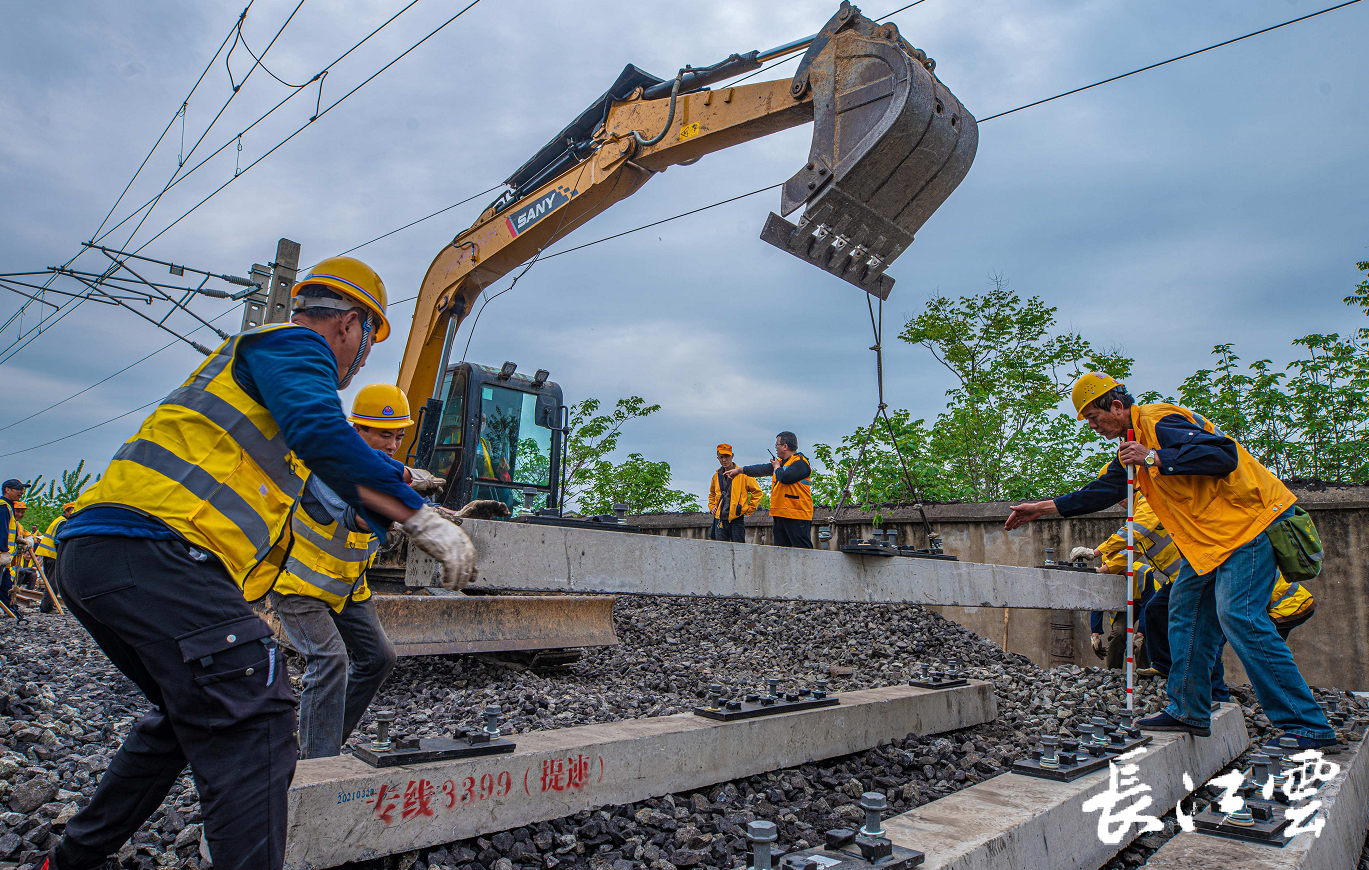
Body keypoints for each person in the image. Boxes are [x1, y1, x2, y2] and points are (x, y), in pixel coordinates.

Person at [46, 256, 477, 870]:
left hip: (105, 555)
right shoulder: (295, 349)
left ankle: (67, 862)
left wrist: (396, 490)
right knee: (262, 719)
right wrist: (424, 520)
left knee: (185, 715)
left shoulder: (268, 387)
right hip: (157, 551)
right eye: (365, 346)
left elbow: (335, 483)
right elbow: (325, 437)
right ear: (350, 326)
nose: (356, 364)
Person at [1006, 372, 1336, 750]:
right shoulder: (1131, 445)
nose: (1094, 428)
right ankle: (1189, 710)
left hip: (1246, 530)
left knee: (1240, 616)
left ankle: (1308, 726)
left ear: (1117, 406)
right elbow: (1100, 492)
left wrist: (1154, 457)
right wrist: (1041, 509)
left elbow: (1222, 453)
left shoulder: (1160, 421)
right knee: (1183, 613)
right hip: (1208, 546)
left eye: (1095, 419)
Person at [267, 383, 416, 759]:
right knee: (329, 660)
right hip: (300, 587)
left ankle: (325, 741)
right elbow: (359, 520)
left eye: (399, 436)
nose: (393, 444)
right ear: (358, 430)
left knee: (379, 658)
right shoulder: (329, 467)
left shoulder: (381, 470)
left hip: (346, 587)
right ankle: (317, 766)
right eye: (384, 434)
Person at [729, 431, 813, 548]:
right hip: (780, 514)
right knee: (781, 551)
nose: (776, 448)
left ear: (785, 446)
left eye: (777, 445)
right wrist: (739, 470)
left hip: (797, 515)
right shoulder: (782, 463)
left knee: (802, 551)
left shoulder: (801, 463)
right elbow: (761, 469)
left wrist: (777, 467)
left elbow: (785, 477)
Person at [708, 444, 762, 542]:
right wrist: (712, 507)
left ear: (732, 456)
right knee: (720, 550)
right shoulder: (716, 476)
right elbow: (712, 494)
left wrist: (748, 509)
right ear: (718, 458)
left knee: (739, 550)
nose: (724, 460)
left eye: (727, 456)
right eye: (721, 457)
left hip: (736, 518)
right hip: (720, 519)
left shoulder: (743, 474)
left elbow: (757, 492)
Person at [35, 503, 75, 613]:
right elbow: (59, 540)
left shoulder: (58, 520)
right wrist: (62, 556)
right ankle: (47, 607)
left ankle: (46, 605)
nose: (74, 514)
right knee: (53, 582)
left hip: (48, 554)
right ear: (66, 511)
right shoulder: (63, 522)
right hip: (54, 555)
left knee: (49, 581)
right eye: (72, 511)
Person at [0, 480, 29, 609]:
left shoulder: (8, 506)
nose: (21, 492)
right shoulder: (3, 507)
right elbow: (2, 530)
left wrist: (17, 539)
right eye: (18, 489)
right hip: (2, 555)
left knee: (6, 585)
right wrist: (4, 551)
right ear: (7, 490)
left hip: (6, 559)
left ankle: (11, 610)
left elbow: (9, 530)